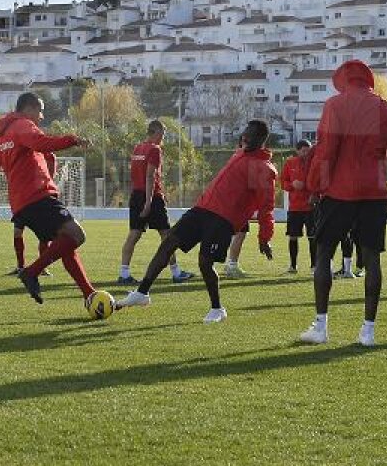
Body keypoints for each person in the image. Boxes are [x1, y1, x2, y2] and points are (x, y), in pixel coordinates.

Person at [298, 60, 387, 347]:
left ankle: (321, 326)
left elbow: (326, 151)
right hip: (374, 191)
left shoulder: (335, 105)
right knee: (372, 259)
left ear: (343, 81)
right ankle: (368, 331)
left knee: (324, 254)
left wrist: (315, 186)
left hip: (339, 191)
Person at [117, 119, 276, 323]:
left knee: (205, 263)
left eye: (249, 133)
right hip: (202, 209)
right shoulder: (241, 153)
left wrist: (265, 238)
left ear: (260, 139)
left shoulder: (262, 168)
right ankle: (142, 292)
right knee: (169, 242)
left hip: (223, 219)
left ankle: (217, 309)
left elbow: (266, 207)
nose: (244, 135)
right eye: (244, 131)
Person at [0, 92, 94, 307]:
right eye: (40, 111)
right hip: (37, 196)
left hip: (22, 205)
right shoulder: (22, 125)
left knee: (66, 244)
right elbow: (41, 142)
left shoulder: (1, 139)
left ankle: (89, 294)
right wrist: (72, 139)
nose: (41, 116)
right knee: (77, 235)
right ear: (29, 108)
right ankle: (31, 272)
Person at [117, 120, 194, 286]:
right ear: (157, 133)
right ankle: (176, 273)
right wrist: (149, 202)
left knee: (134, 234)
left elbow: (137, 175)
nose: (163, 138)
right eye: (163, 135)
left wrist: (144, 197)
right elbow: (150, 176)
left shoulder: (138, 148)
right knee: (167, 235)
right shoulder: (155, 149)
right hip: (151, 197)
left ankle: (124, 274)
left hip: (137, 194)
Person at [222, 133, 275, 279]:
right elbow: (252, 185)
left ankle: (228, 264)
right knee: (240, 233)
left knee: (233, 234)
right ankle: (231, 265)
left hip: (230, 203)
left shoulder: (236, 157)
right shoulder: (248, 160)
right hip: (238, 204)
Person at [6, 150, 54, 277]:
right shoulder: (24, 152)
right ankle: (20, 266)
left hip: (39, 200)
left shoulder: (49, 156)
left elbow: (49, 177)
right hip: (22, 199)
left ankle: (42, 267)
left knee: (44, 236)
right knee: (17, 232)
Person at [280, 140, 316, 274]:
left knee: (313, 237)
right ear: (297, 150)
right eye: (304, 151)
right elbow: (283, 182)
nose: (306, 153)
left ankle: (314, 266)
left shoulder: (314, 163)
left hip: (311, 207)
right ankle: (293, 266)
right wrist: (292, 185)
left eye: (309, 151)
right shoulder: (290, 163)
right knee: (293, 236)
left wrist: (309, 189)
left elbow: (320, 181)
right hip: (295, 208)